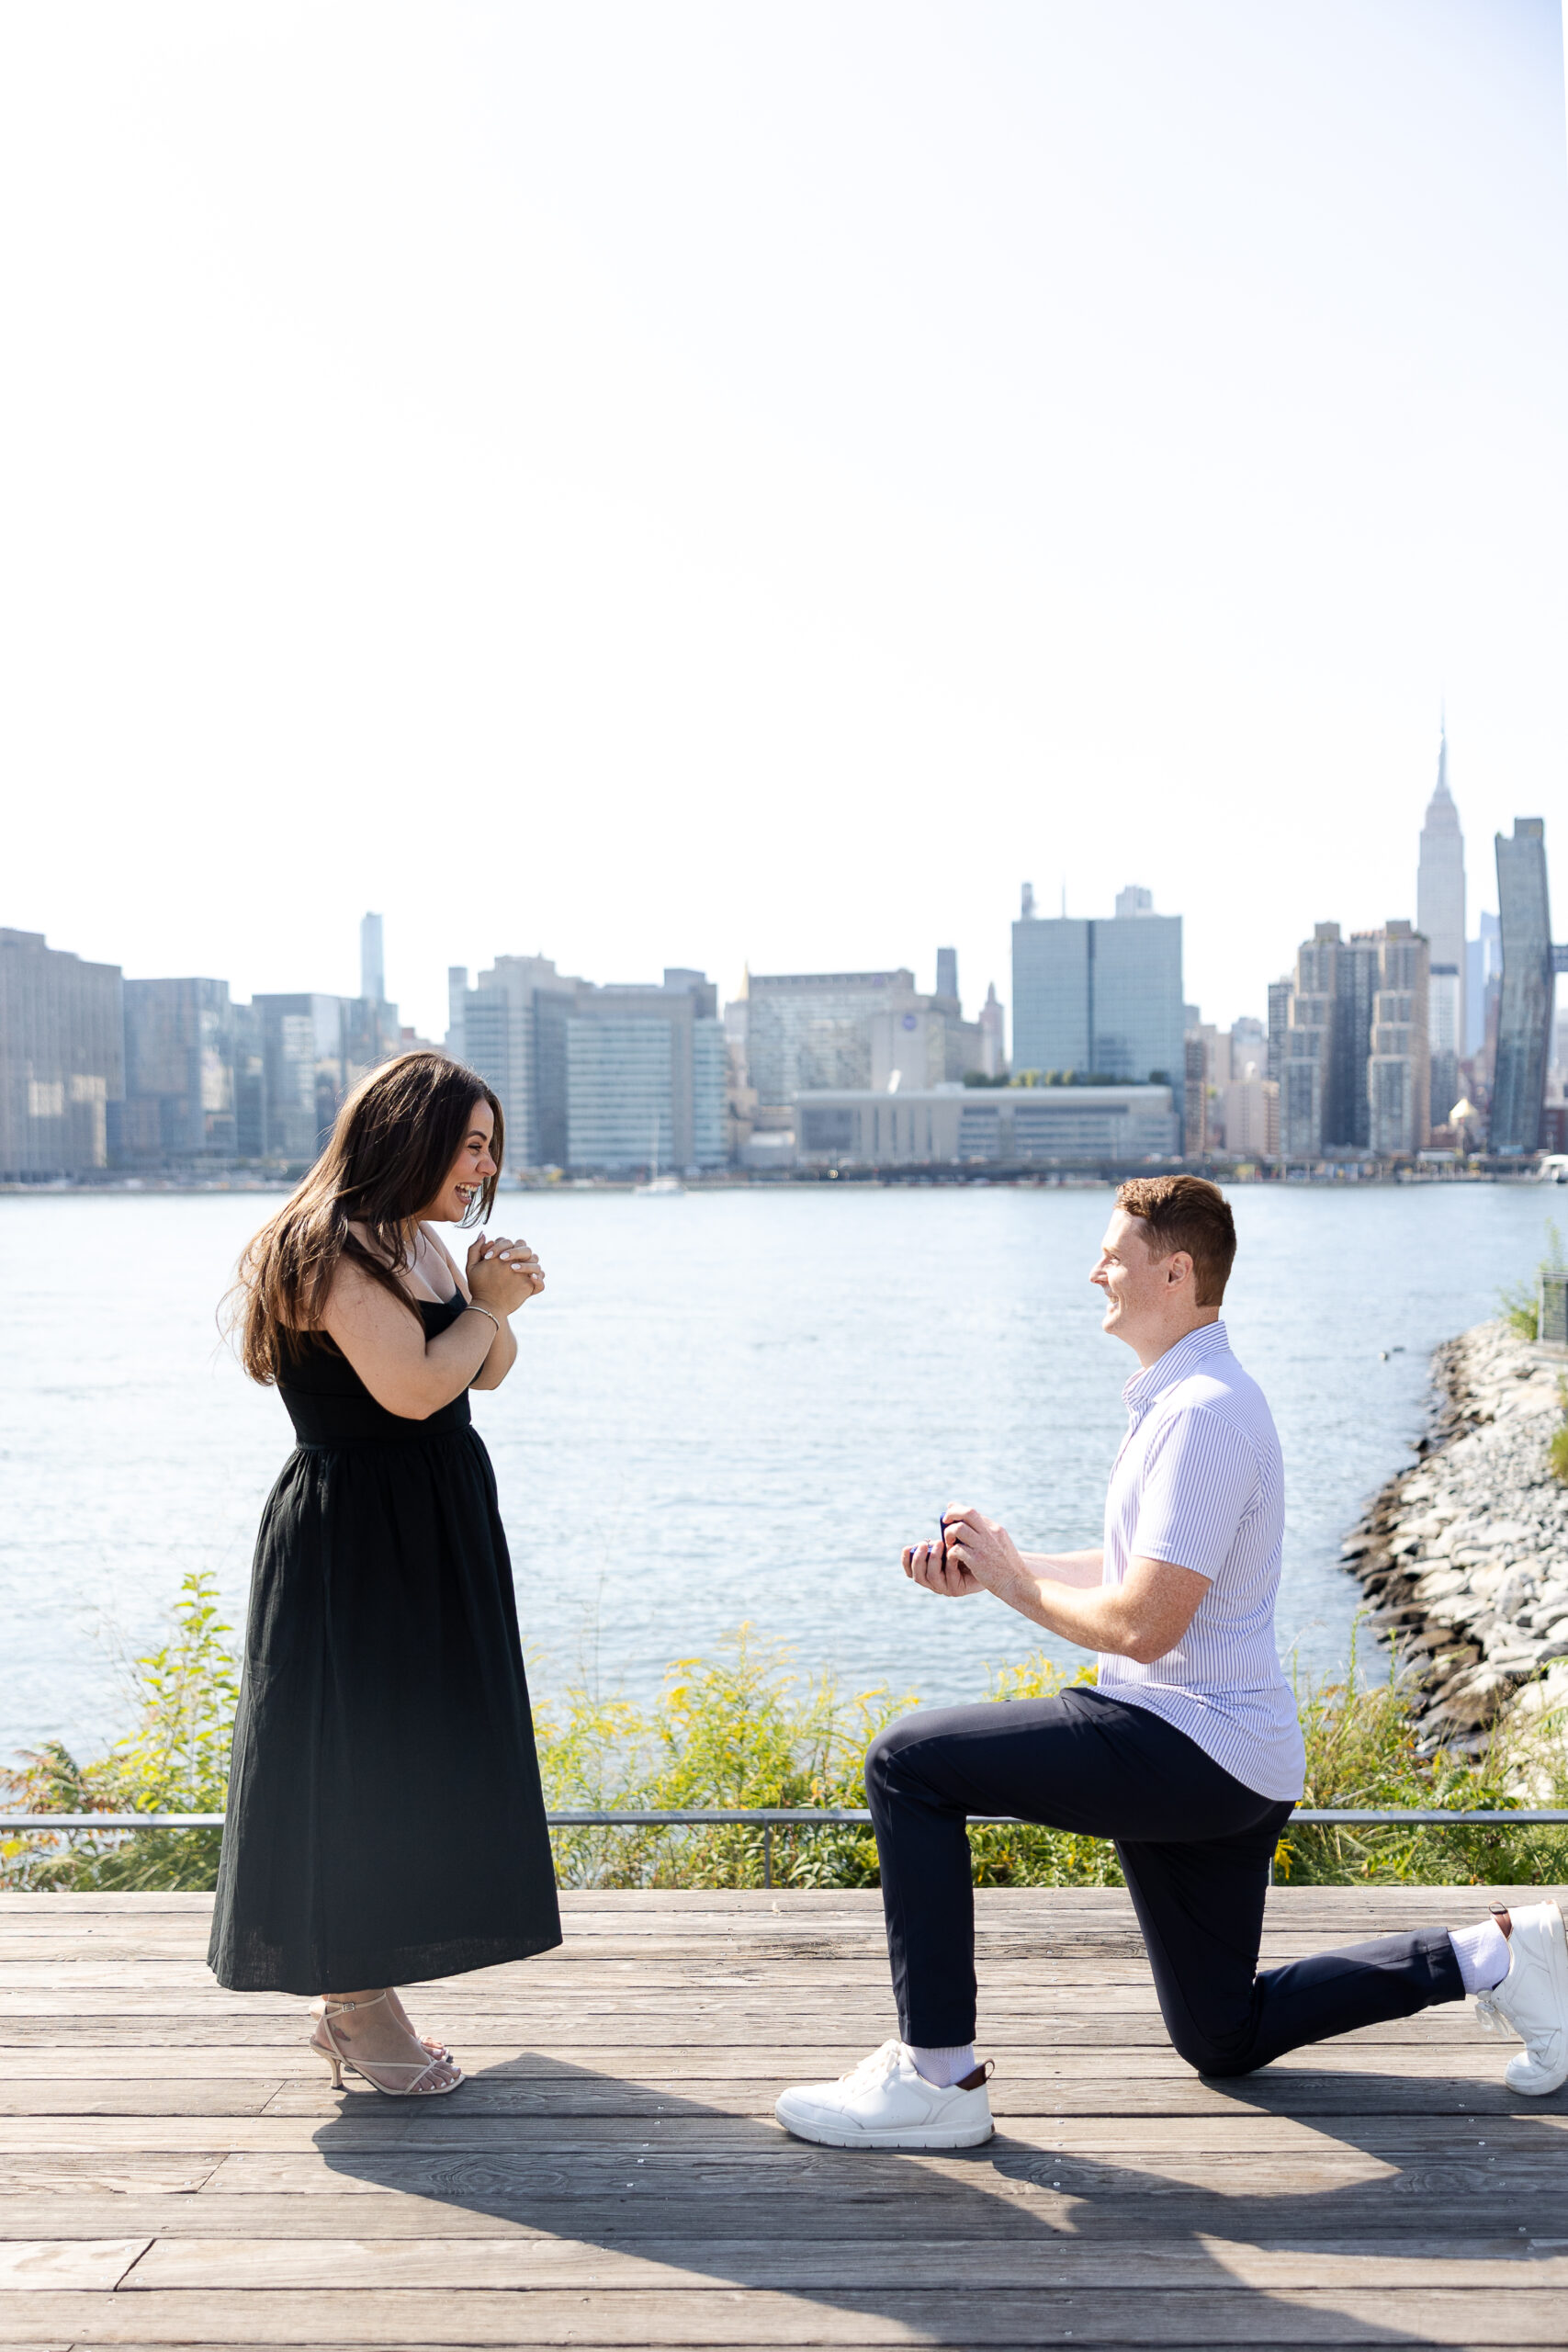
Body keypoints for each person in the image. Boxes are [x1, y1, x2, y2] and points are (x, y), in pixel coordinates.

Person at [775, 1173, 1568, 2150]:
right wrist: (1001, 1569)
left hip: (1187, 1742)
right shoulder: (1187, 1400)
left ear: (1175, 1270)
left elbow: (1144, 1626)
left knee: (908, 1762)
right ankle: (1495, 1955)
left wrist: (1020, 1591)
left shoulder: (1203, 1410)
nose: (1095, 1270)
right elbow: (1137, 1572)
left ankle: (939, 2075)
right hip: (1228, 1757)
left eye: (1114, 1254)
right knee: (1220, 2034)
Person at [209, 1051, 561, 2096]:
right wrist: (488, 1308)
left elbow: (482, 1370)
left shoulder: (413, 1241)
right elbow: (413, 1387)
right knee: (351, 1758)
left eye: (491, 1146)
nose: (484, 1165)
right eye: (471, 1141)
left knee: (418, 1752)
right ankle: (355, 2006)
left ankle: (363, 1997)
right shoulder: (320, 1250)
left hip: (433, 1521)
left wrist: (494, 1303)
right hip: (355, 1533)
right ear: (408, 1134)